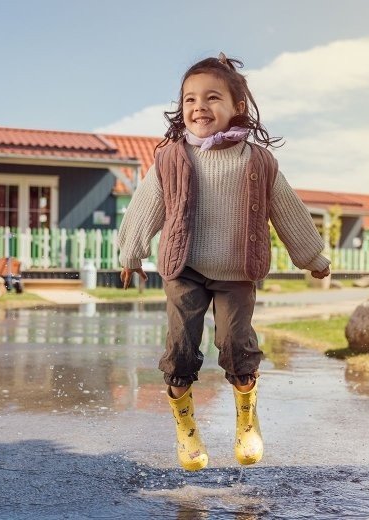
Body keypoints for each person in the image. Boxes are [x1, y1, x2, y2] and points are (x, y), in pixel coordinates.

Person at [117, 52, 330, 471]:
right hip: (185, 268)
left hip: (237, 271)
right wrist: (132, 251)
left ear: (238, 108)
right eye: (190, 99)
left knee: (237, 347)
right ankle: (186, 429)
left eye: (212, 98)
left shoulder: (259, 162)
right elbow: (146, 205)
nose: (199, 107)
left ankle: (247, 419)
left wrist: (312, 256)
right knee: (179, 352)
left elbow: (288, 209)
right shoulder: (172, 158)